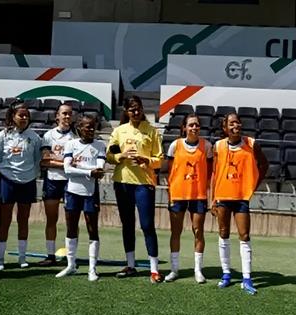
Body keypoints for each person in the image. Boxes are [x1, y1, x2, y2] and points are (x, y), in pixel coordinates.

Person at [106, 96, 164, 283]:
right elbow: (109, 154)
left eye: (138, 109)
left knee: (147, 226)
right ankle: (130, 265)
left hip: (144, 183)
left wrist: (146, 160)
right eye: (132, 110)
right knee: (127, 224)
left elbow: (159, 159)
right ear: (126, 111)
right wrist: (120, 156)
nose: (136, 112)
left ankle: (154, 270)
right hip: (122, 182)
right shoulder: (119, 131)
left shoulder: (152, 131)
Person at [211, 112, 269, 295]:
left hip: (241, 197)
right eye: (231, 123)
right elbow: (214, 173)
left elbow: (264, 165)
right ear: (225, 128)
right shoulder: (218, 146)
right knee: (223, 233)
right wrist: (212, 198)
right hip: (222, 196)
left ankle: (246, 278)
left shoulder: (251, 144)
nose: (235, 126)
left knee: (244, 235)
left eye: (237, 122)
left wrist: (252, 186)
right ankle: (226, 274)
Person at [0, 101, 44, 270]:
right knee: (4, 221)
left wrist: (29, 174)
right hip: (7, 180)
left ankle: (22, 258)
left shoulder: (35, 137)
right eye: (20, 115)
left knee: (24, 220)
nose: (23, 118)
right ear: (13, 116)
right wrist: (5, 170)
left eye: (26, 115)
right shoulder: (4, 135)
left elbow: (37, 159)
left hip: (27, 182)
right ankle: (0, 259)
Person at [55, 115, 106, 281]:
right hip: (72, 191)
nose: (91, 130)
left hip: (90, 193)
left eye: (93, 127)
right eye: (87, 127)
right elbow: (67, 170)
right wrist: (88, 171)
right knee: (71, 227)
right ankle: (71, 265)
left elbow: (99, 171)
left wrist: (80, 167)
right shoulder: (71, 144)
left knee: (93, 229)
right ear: (79, 128)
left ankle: (92, 269)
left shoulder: (100, 145)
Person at [165, 114, 212, 283]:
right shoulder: (175, 145)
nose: (194, 128)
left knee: (198, 231)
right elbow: (169, 172)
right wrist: (170, 193)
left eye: (197, 125)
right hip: (178, 195)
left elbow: (209, 173)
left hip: (198, 195)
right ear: (184, 127)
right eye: (191, 125)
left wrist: (209, 194)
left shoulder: (206, 146)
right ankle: (174, 269)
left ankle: (198, 270)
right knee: (175, 232)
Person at [39, 103, 75, 266]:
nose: (67, 117)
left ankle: (71, 256)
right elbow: (45, 161)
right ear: (57, 116)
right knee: (51, 219)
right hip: (52, 180)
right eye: (64, 114)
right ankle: (50, 255)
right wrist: (65, 163)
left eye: (70, 114)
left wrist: (56, 161)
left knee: (71, 220)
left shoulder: (75, 137)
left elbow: (76, 162)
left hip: (71, 181)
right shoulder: (48, 136)